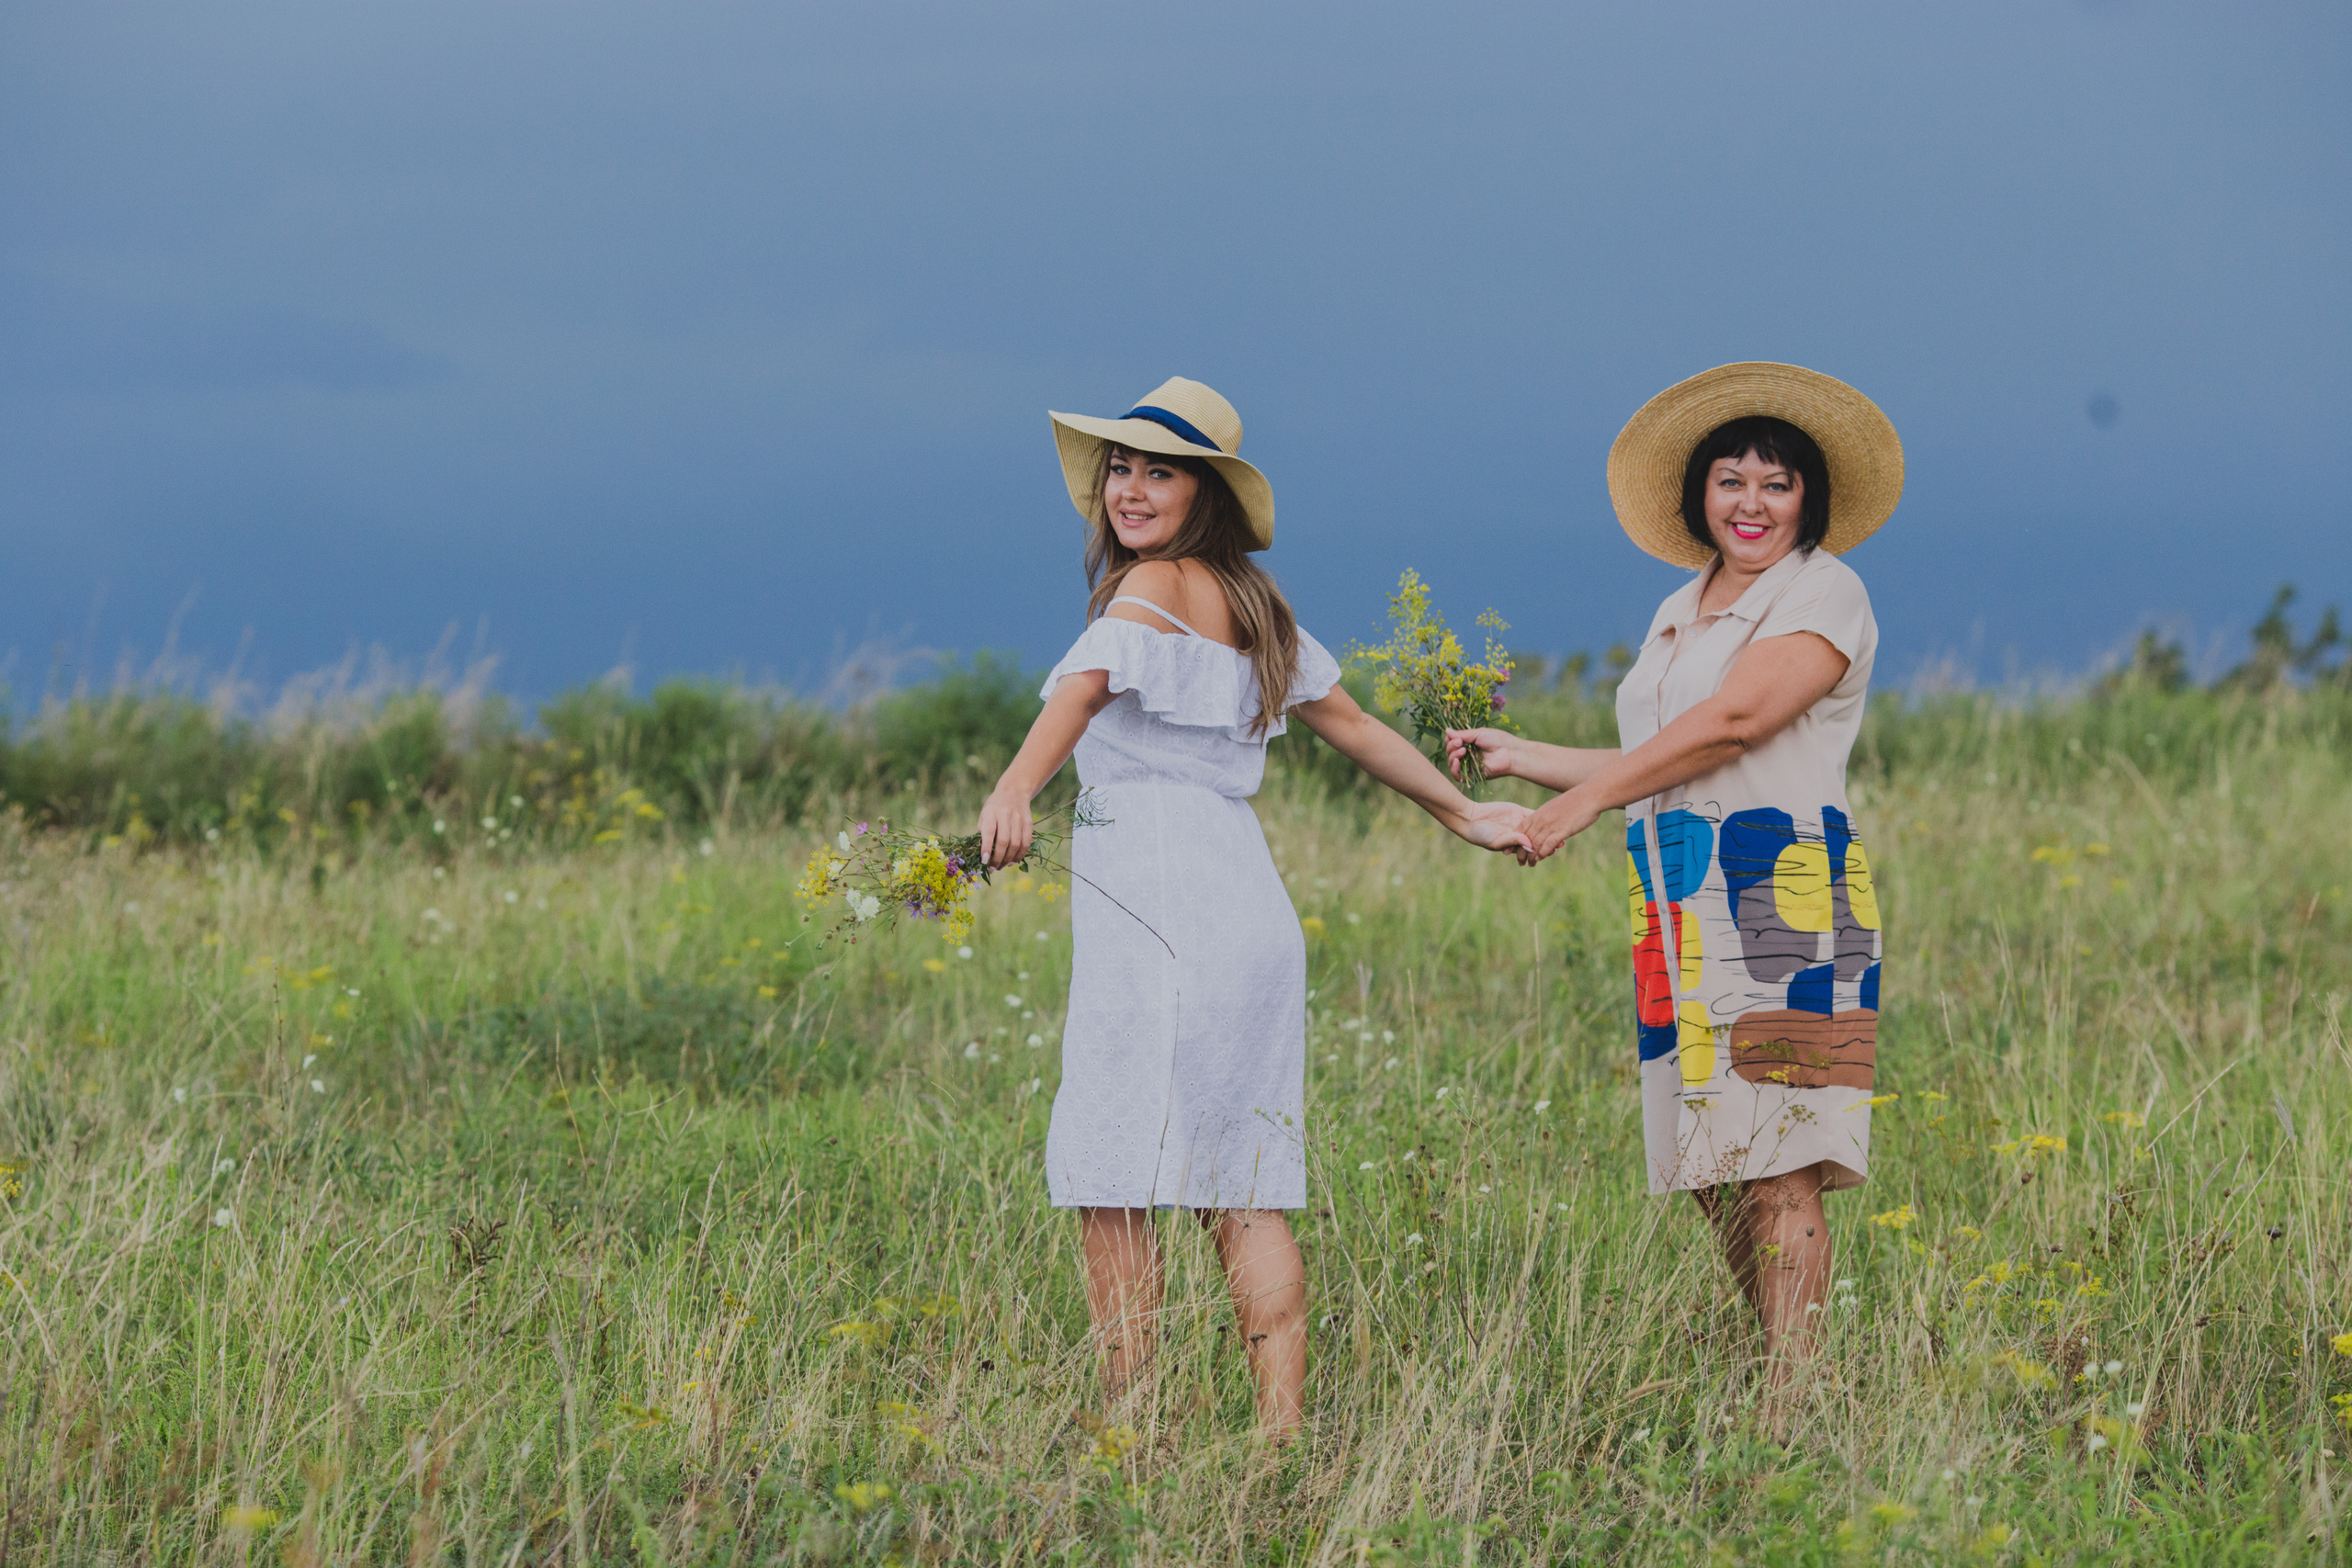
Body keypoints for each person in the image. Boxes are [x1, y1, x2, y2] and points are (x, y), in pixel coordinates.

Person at [979, 377, 1532, 1440]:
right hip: (1243, 900)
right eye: (1122, 469)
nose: (1132, 491)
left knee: (1112, 1174)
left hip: (1162, 902)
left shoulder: (1146, 592)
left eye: (1161, 472)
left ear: (1206, 494)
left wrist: (1012, 790)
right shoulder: (1254, 606)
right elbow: (1358, 725)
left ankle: (1129, 1431)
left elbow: (1082, 688)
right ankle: (1280, 1437)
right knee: (1240, 1178)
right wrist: (1462, 814)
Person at [1448, 362, 1903, 1417]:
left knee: (1779, 1160)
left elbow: (1736, 725)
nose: (1751, 503)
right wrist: (1528, 758)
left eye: (1776, 484)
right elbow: (1660, 756)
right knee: (1708, 1164)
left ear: (1809, 501)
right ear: (1699, 492)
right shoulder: (1679, 606)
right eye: (1731, 480)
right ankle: (1771, 1375)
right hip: (1679, 899)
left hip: (1779, 890)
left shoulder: (1823, 591)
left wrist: (1573, 812)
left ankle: (1792, 1409)